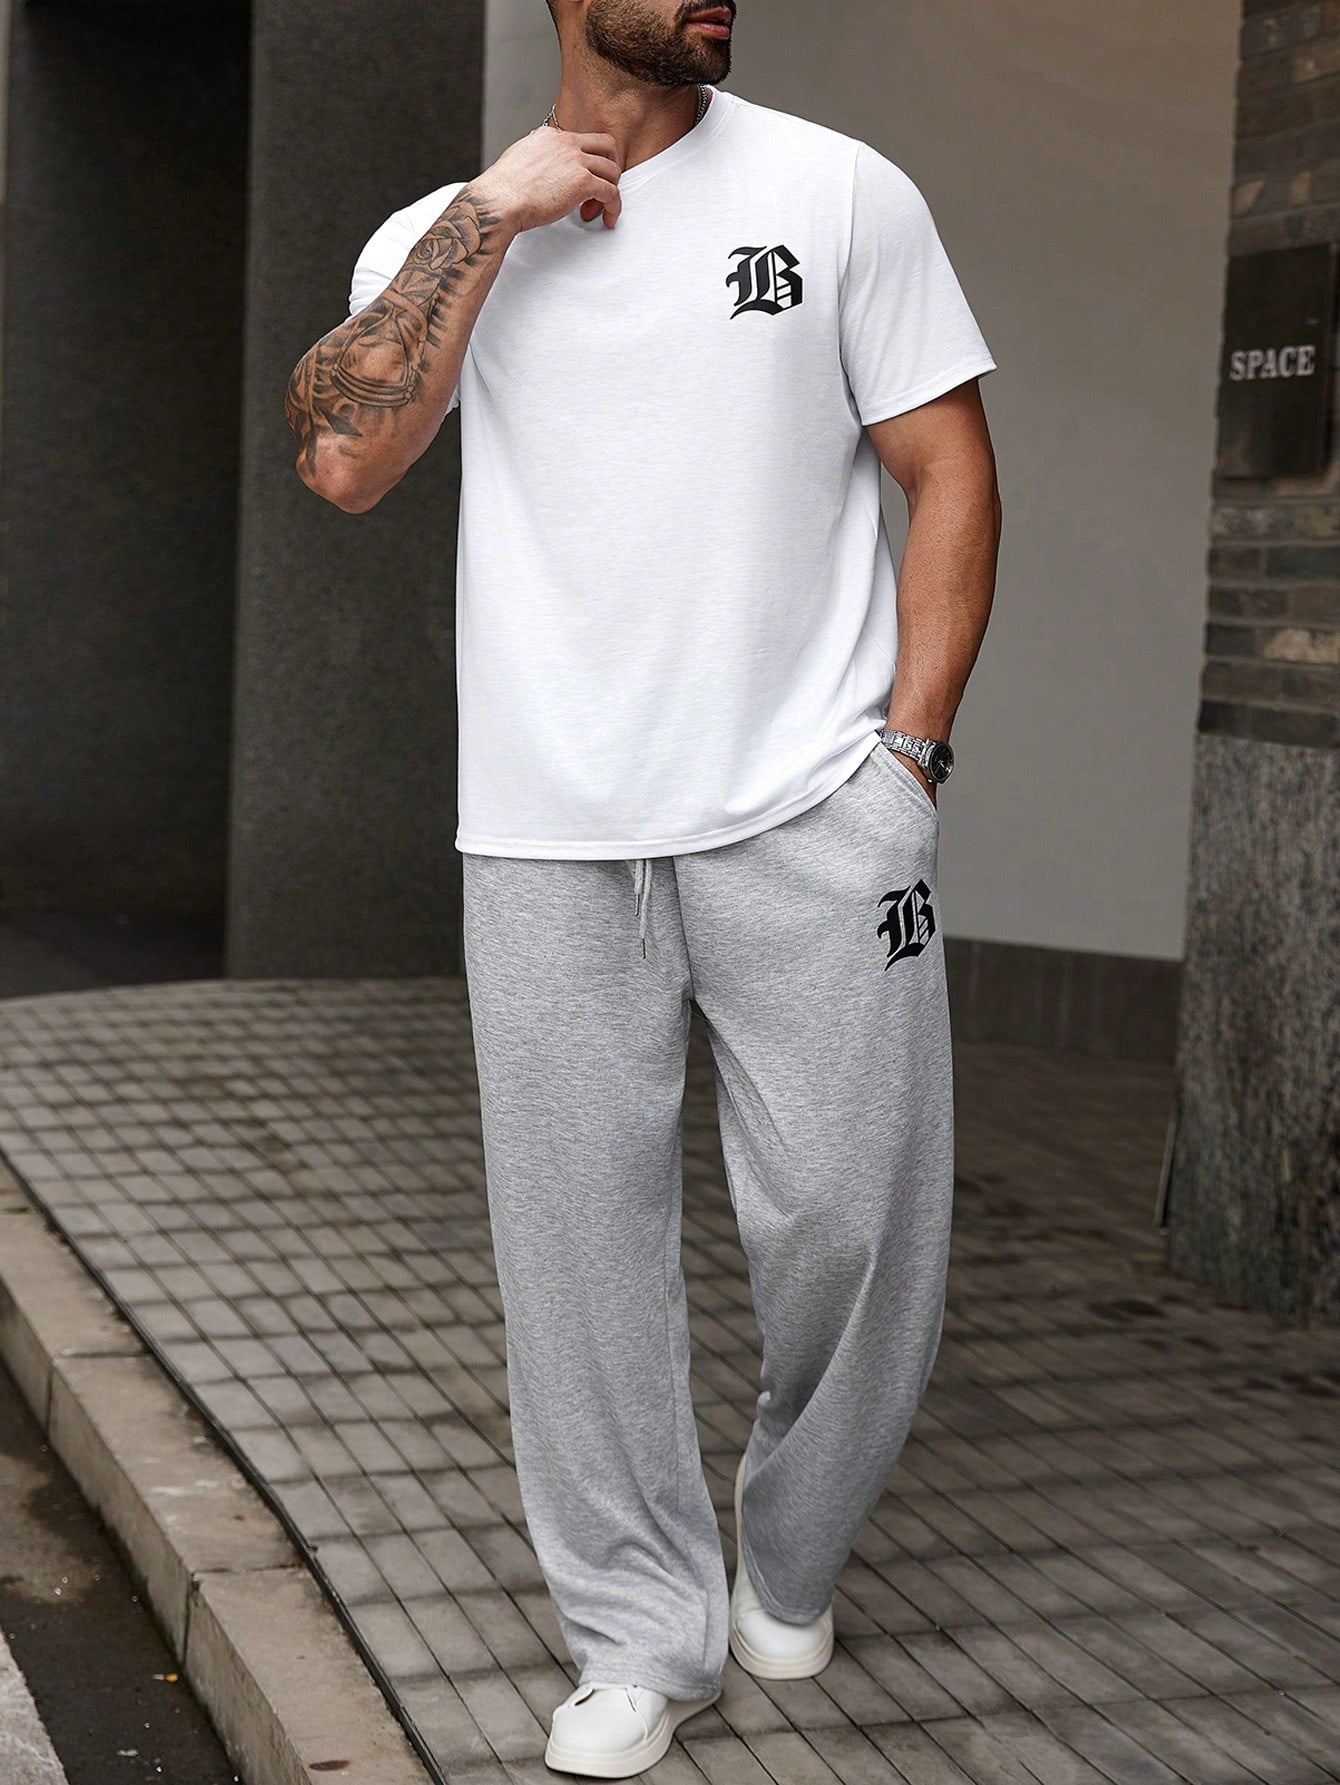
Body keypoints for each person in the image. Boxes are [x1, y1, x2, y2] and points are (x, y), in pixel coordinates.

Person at [285, 1, 1002, 1774]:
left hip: (817, 806)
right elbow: (343, 455)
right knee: (578, 1257)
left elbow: (949, 471)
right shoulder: (443, 234)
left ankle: (794, 1539)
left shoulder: (842, 195)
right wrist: (494, 214)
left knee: (854, 1214)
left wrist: (908, 765)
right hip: (548, 826)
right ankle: (635, 1630)